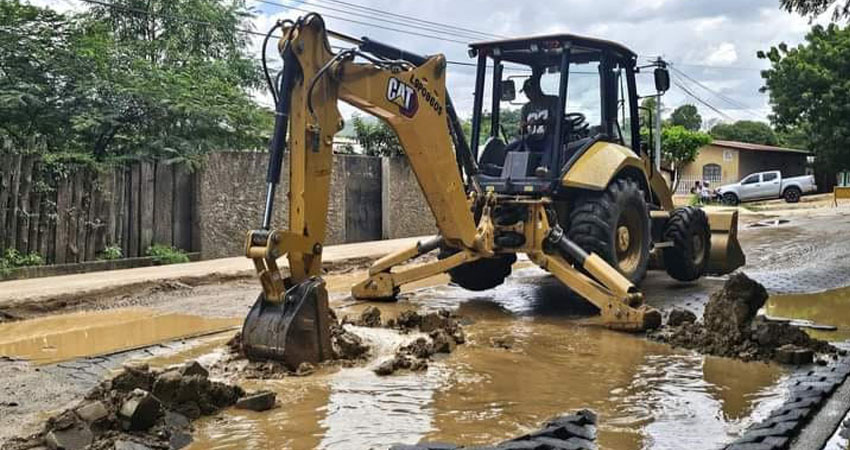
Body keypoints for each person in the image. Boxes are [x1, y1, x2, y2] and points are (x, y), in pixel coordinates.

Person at [503, 68, 559, 177]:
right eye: (526, 92)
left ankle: (544, 167)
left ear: (537, 89)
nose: (527, 95)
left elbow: (558, 120)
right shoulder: (526, 107)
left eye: (529, 91)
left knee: (553, 138)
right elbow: (521, 129)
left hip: (548, 139)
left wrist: (541, 122)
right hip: (532, 139)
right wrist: (522, 127)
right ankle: (506, 171)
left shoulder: (553, 101)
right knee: (511, 146)